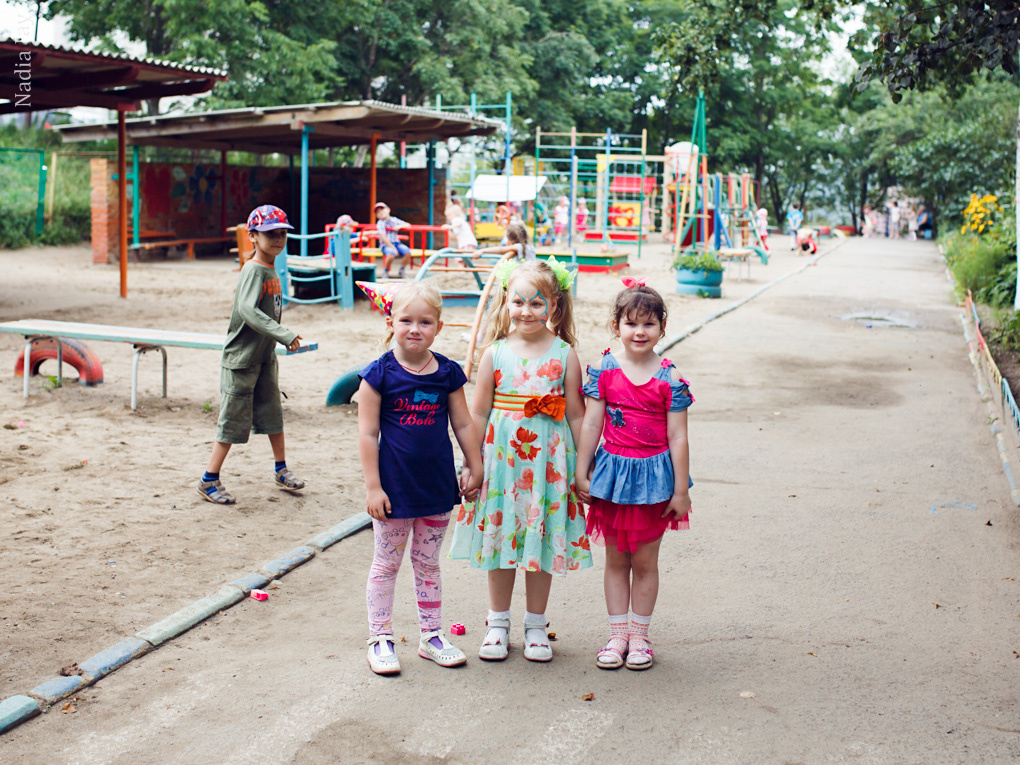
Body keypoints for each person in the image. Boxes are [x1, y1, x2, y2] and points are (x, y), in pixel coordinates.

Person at [449, 258, 590, 662]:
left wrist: (583, 466)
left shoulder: (565, 355)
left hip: (548, 467)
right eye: (518, 302)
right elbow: (477, 414)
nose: (526, 311)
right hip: (502, 465)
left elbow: (578, 414)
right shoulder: (494, 354)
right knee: (501, 537)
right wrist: (472, 463)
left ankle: (535, 624)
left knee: (540, 538)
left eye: (536, 303)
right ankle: (497, 622)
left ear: (554, 307)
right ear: (505, 303)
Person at [357, 281, 483, 675]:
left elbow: (462, 422)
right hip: (394, 491)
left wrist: (474, 463)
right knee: (386, 565)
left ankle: (431, 635)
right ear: (391, 322)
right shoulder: (378, 374)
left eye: (425, 322)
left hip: (436, 487)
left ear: (438, 327)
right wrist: (374, 487)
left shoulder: (448, 373)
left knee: (428, 564)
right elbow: (367, 433)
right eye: (406, 320)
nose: (415, 328)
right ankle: (380, 638)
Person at [576, 280, 693, 671]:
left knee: (644, 561)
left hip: (654, 481)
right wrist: (581, 470)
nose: (639, 332)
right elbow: (591, 426)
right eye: (631, 324)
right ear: (617, 326)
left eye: (648, 324)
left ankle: (641, 636)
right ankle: (618, 634)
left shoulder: (670, 378)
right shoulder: (603, 370)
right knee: (615, 560)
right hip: (611, 477)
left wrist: (680, 491)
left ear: (662, 328)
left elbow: (678, 436)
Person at [197, 204, 305, 505]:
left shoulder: (270, 268)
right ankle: (209, 479)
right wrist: (284, 335)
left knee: (273, 413)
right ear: (253, 236)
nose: (279, 239)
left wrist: (276, 342)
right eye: (271, 233)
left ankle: (281, 469)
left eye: (283, 233)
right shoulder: (253, 269)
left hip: (264, 357)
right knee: (232, 421)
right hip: (242, 360)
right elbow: (247, 310)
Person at [374, 201, 412, 279]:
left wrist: (400, 226)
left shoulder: (394, 220)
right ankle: (386, 270)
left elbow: (408, 224)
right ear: (377, 215)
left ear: (388, 209)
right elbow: (383, 237)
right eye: (378, 212)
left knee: (407, 252)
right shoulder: (380, 223)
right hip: (385, 245)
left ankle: (402, 270)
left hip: (397, 243)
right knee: (391, 254)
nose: (381, 212)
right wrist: (393, 248)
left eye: (382, 209)